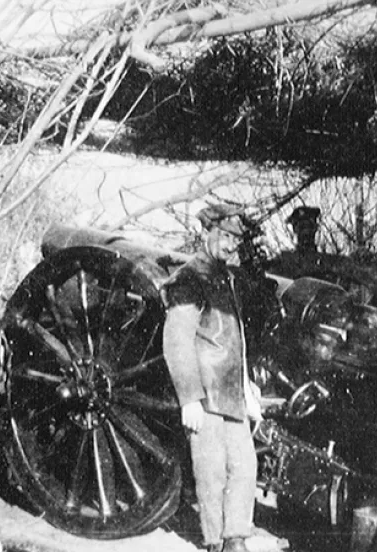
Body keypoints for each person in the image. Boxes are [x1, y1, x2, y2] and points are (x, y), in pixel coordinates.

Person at [162, 204, 261, 552]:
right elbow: (177, 340)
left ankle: (236, 537)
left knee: (245, 467)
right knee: (211, 472)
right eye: (227, 237)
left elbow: (235, 340)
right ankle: (216, 542)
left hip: (230, 391)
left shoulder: (225, 276)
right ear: (209, 232)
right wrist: (189, 397)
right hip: (205, 392)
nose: (232, 245)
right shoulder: (191, 277)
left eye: (237, 239)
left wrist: (246, 387)